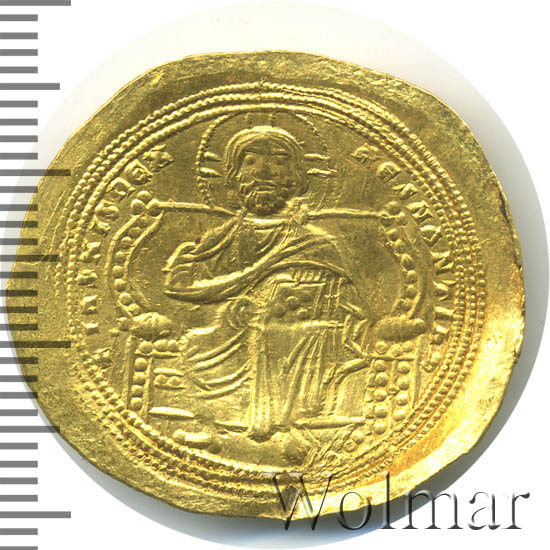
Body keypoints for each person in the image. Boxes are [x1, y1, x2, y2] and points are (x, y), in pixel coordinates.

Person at [164, 126, 371, 442]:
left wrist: (289, 305)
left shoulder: (317, 244)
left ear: (296, 178)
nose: (263, 172)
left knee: (278, 337)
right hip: (226, 336)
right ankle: (214, 426)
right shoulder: (215, 242)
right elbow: (184, 296)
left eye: (278, 161)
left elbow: (349, 309)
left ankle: (291, 427)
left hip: (297, 342)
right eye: (250, 161)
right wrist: (233, 309)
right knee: (195, 346)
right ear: (234, 177)